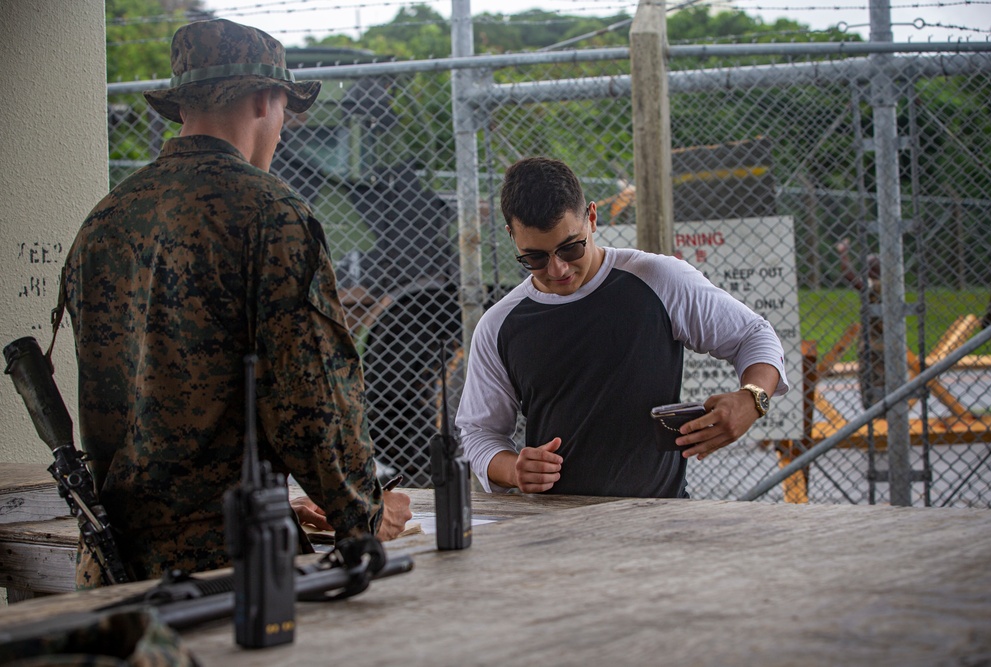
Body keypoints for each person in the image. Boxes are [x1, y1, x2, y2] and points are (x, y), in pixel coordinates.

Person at [63, 18, 409, 587]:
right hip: (227, 571)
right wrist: (365, 515)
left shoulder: (105, 218)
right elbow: (311, 400)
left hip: (112, 560)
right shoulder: (269, 214)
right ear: (263, 99)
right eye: (284, 110)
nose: (284, 129)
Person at [455, 156, 787, 497]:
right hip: (554, 527)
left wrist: (752, 398)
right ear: (511, 236)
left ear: (592, 218)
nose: (558, 269)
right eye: (534, 258)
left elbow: (754, 335)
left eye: (570, 248)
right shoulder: (500, 324)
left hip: (657, 515)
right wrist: (512, 469)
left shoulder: (657, 279)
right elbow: (479, 432)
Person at [835, 237, 886, 409]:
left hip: (874, 345)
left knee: (872, 382)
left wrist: (844, 253)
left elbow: (849, 275)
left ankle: (875, 412)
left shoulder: (876, 286)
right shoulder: (888, 286)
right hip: (883, 343)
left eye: (869, 267)